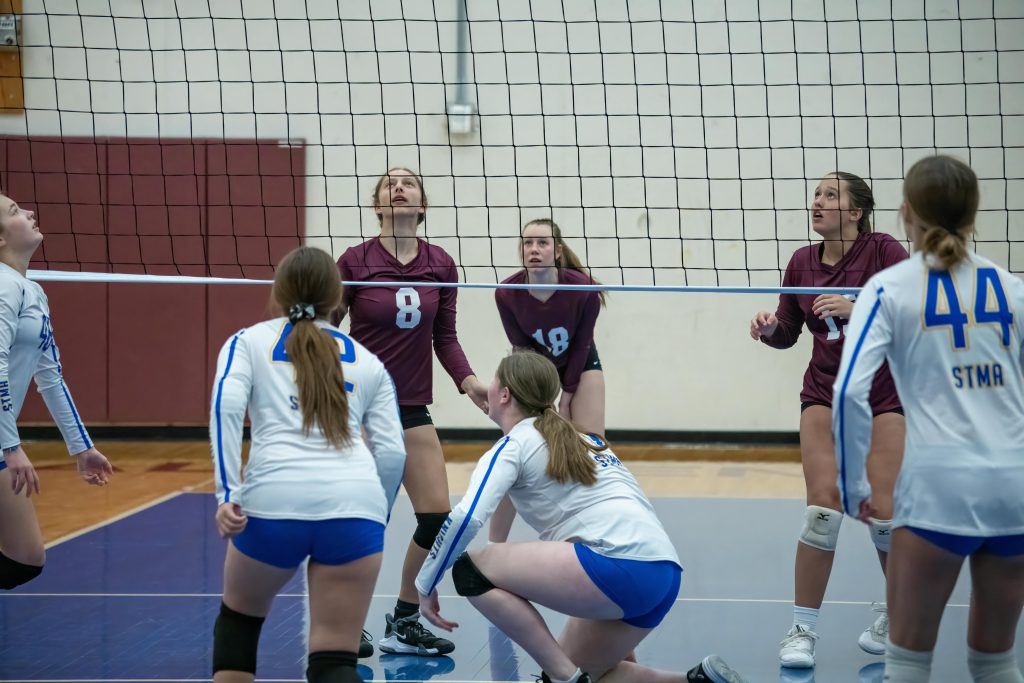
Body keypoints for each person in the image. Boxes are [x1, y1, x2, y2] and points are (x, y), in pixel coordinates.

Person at [414, 350, 749, 683]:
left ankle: (565, 677)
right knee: (594, 674)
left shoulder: (514, 446)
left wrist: (426, 582)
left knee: (469, 569)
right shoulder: (581, 438)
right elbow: (505, 503)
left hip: (616, 567)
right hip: (663, 574)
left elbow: (466, 517)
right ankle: (696, 680)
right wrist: (497, 551)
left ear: (504, 395)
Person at [833, 155, 1024, 683]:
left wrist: (853, 488)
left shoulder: (889, 288)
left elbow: (849, 391)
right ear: (973, 213)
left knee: (909, 661)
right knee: (996, 662)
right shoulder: (1011, 287)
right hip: (1014, 486)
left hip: (940, 488)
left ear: (906, 212)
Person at [209, 246, 406, 683]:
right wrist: (377, 513)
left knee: (239, 625)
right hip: (355, 507)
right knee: (335, 662)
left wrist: (228, 493)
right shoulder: (369, 361)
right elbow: (392, 453)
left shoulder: (248, 342)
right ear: (338, 298)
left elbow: (225, 407)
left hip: (271, 506)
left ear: (277, 293)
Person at [749, 172, 908, 668]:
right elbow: (789, 331)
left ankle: (898, 615)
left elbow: (912, 308)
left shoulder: (883, 250)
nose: (817, 202)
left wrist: (858, 304)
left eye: (830, 195)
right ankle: (802, 630)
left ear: (856, 211)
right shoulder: (801, 261)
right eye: (816, 194)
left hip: (882, 391)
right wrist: (770, 328)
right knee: (823, 509)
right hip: (824, 390)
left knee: (883, 512)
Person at [334, 167, 488, 657]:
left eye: (409, 184)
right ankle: (345, 623)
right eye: (388, 185)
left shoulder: (440, 263)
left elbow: (444, 336)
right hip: (361, 408)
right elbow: (328, 330)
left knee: (438, 519)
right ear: (378, 205)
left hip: (411, 408)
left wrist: (469, 384)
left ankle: (402, 621)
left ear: (422, 205)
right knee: (362, 523)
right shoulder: (354, 261)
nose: (399, 188)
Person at [0, 193, 112, 590]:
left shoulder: (33, 291)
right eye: (14, 211)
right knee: (22, 558)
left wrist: (81, 448)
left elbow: (51, 376)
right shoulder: (2, 288)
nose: (29, 211)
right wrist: (11, 447)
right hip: (3, 443)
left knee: (25, 558)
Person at [490, 218, 605, 542]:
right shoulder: (507, 292)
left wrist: (567, 395)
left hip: (580, 365)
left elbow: (582, 343)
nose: (534, 249)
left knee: (591, 449)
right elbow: (521, 350)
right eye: (528, 243)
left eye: (542, 243)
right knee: (513, 453)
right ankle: (494, 544)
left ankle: (594, 533)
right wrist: (541, 398)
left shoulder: (582, 288)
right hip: (536, 371)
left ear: (557, 250)